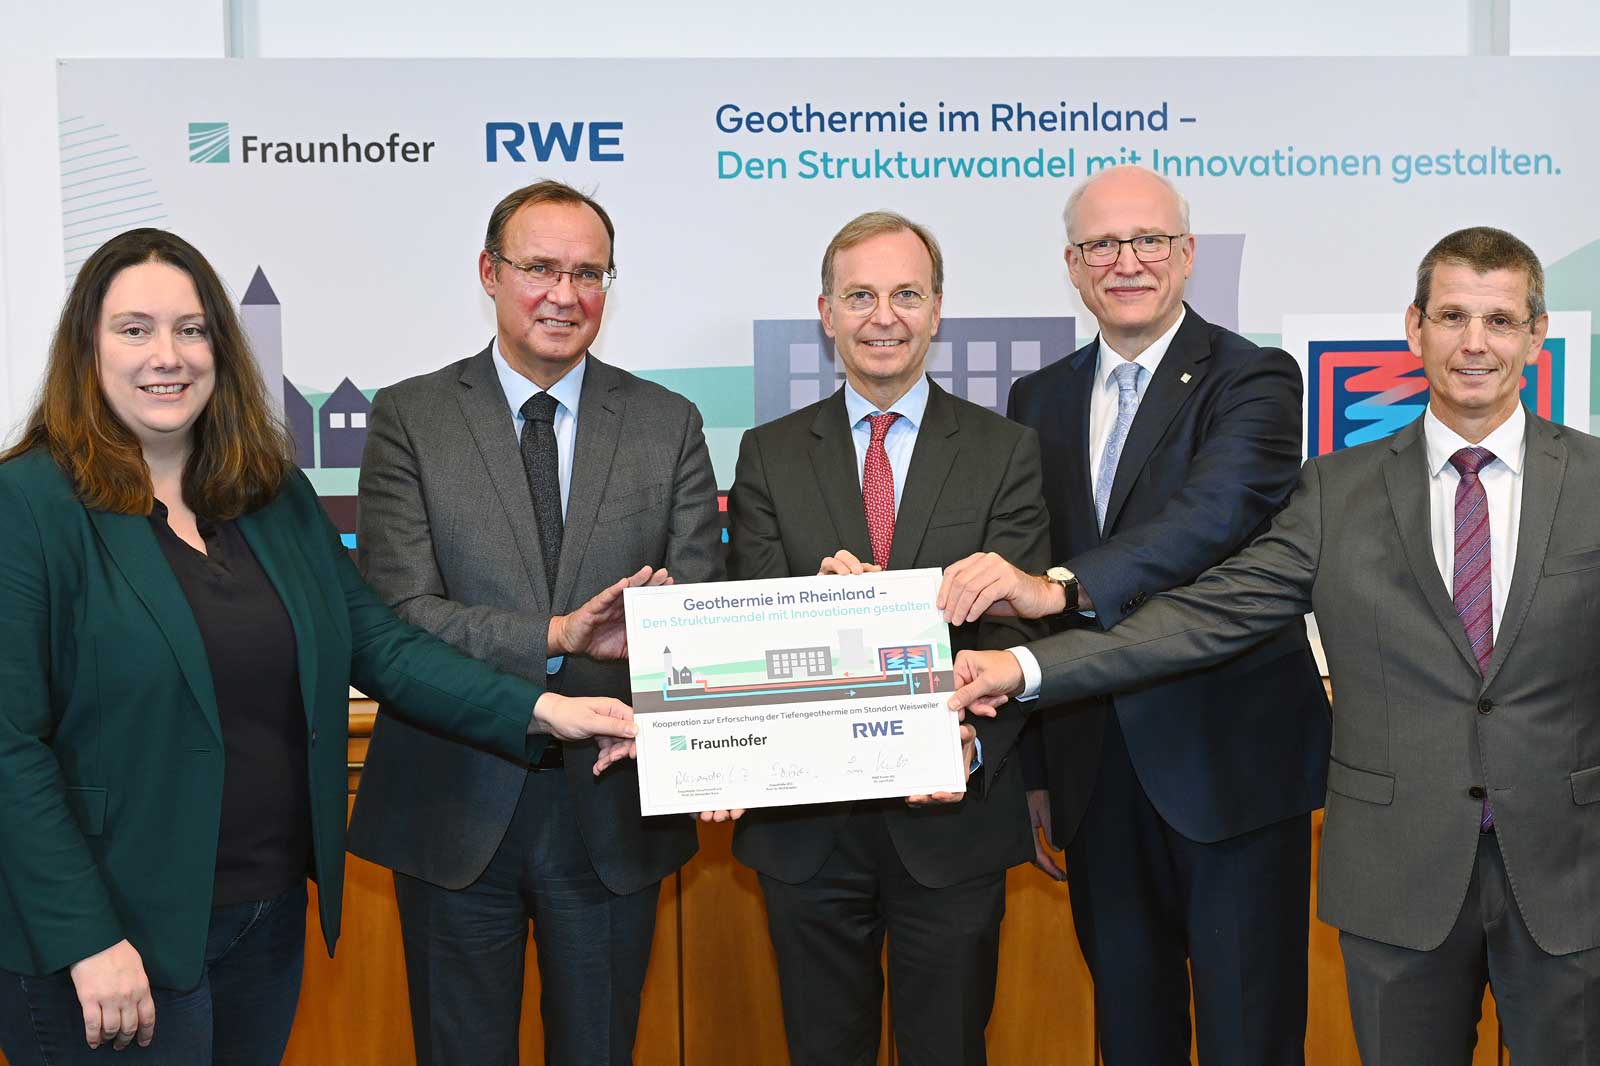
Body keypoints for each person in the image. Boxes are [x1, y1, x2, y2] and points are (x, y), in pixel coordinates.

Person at [947, 225, 1600, 1064]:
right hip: (1397, 884)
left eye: (1501, 321)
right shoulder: (1336, 491)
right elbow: (1203, 616)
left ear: (1537, 335)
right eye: (1452, 317)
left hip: (1569, 875)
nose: (1475, 344)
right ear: (1414, 329)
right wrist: (1027, 665)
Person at [0, 227, 640, 1066]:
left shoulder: (268, 495)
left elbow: (380, 646)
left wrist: (545, 709)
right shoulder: (30, 503)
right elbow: (10, 748)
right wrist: (87, 938)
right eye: (134, 329)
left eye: (192, 330)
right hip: (114, 941)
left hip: (262, 920)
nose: (169, 355)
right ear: (87, 348)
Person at [937, 165, 1330, 1065]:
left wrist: (1064, 585)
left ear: (1187, 256)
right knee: (1130, 1030)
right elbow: (1015, 581)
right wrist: (1034, 765)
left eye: (1148, 240)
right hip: (1093, 769)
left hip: (1229, 769)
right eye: (1101, 245)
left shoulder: (1257, 379)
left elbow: (1208, 522)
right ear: (1073, 267)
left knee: (1250, 1035)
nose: (1126, 262)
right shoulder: (1038, 399)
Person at [345, 179, 722, 1066]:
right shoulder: (412, 417)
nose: (565, 294)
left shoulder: (667, 423)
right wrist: (552, 638)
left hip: (612, 804)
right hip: (453, 801)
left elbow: (699, 605)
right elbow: (399, 613)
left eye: (589, 273)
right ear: (489, 272)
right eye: (539, 268)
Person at [726, 210, 1050, 1066]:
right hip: (807, 827)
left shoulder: (1006, 450)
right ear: (826, 311)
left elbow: (1021, 628)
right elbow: (748, 625)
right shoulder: (766, 456)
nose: (884, 316)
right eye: (860, 295)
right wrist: (819, 618)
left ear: (938, 310)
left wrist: (968, 752)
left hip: (952, 823)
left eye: (906, 294)